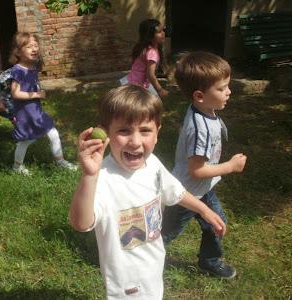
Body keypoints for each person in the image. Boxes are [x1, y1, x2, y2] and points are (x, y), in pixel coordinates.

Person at [69, 84, 227, 299]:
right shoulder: (103, 178)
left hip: (154, 264)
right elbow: (81, 223)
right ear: (106, 134)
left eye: (145, 130)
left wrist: (204, 210)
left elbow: (176, 192)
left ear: (157, 133)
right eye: (124, 130)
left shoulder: (152, 163)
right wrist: (89, 176)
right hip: (126, 281)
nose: (135, 142)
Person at [161, 51, 247, 279]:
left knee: (216, 224)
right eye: (222, 88)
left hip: (202, 189)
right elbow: (196, 170)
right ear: (199, 95)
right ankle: (139, 257)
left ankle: (209, 261)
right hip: (186, 192)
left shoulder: (202, 109)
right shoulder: (202, 129)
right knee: (167, 233)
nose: (229, 92)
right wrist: (231, 166)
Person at [9, 32, 76, 175]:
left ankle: (60, 161)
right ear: (18, 52)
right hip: (25, 115)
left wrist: (37, 90)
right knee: (25, 141)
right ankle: (17, 167)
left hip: (36, 112)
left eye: (35, 45)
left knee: (53, 133)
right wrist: (36, 94)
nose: (34, 49)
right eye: (29, 46)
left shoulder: (32, 68)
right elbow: (15, 93)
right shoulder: (18, 70)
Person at [120, 19, 169, 98]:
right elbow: (150, 75)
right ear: (150, 35)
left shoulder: (143, 47)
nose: (163, 33)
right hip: (137, 87)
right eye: (159, 32)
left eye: (163, 30)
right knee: (150, 107)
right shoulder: (152, 52)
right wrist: (160, 90)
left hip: (132, 81)